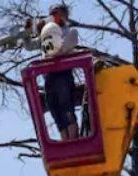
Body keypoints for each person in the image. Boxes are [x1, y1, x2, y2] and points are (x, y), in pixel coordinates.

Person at [39, 3, 81, 139]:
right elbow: (29, 45)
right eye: (51, 14)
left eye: (56, 13)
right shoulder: (47, 35)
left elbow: (61, 51)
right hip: (49, 76)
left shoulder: (70, 32)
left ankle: (74, 140)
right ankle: (65, 142)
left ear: (64, 15)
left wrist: (51, 37)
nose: (53, 16)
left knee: (66, 109)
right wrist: (31, 31)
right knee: (55, 111)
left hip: (63, 74)